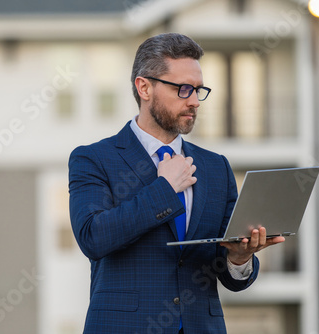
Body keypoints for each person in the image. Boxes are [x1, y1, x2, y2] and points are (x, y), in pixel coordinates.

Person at [68, 33, 285, 334]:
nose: (195, 101)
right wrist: (164, 190)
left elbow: (228, 275)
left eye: (198, 90)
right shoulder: (94, 159)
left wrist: (239, 257)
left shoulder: (216, 167)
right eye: (183, 89)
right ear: (144, 87)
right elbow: (93, 238)